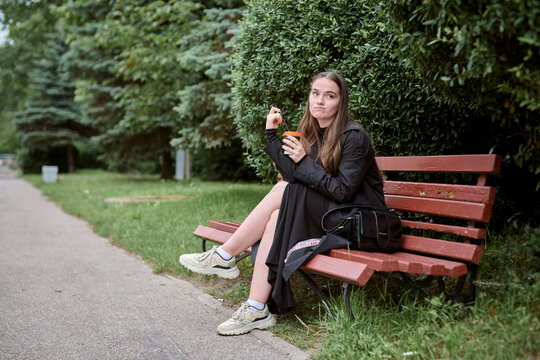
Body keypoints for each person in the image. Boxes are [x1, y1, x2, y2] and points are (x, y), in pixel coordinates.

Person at [179, 71, 386, 335]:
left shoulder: (354, 136)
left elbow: (343, 191)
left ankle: (225, 255)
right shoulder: (315, 133)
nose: (320, 101)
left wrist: (303, 162)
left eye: (329, 96)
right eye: (315, 93)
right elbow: (295, 176)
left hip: (356, 221)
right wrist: (271, 137)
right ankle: (255, 308)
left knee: (283, 191)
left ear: (340, 102)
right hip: (330, 213)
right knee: (277, 215)